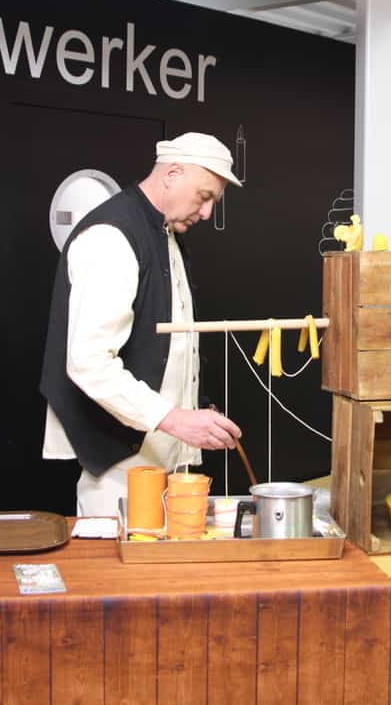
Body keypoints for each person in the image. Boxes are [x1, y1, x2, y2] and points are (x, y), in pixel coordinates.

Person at [40, 133, 244, 516]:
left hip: (161, 450)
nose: (206, 213)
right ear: (172, 174)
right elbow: (88, 361)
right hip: (120, 460)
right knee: (116, 572)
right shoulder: (111, 237)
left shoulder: (163, 231)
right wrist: (176, 419)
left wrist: (194, 409)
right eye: (204, 196)